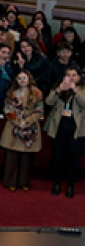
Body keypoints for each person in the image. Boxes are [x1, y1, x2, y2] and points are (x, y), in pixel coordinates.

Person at [44, 65, 85, 199]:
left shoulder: (82, 89)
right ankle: (57, 184)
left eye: (74, 75)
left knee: (73, 158)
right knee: (58, 157)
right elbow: (48, 102)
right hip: (59, 125)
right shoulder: (59, 86)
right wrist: (58, 90)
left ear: (79, 77)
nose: (71, 78)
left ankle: (70, 186)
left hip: (76, 127)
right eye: (68, 75)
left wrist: (75, 91)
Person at [0, 70, 43, 192]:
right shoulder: (12, 93)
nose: (22, 80)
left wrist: (27, 122)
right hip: (14, 127)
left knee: (26, 158)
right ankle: (10, 182)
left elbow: (39, 110)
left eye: (24, 78)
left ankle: (24, 182)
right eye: (19, 78)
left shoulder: (37, 93)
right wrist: (18, 122)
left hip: (30, 127)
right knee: (12, 156)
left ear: (29, 79)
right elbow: (7, 110)